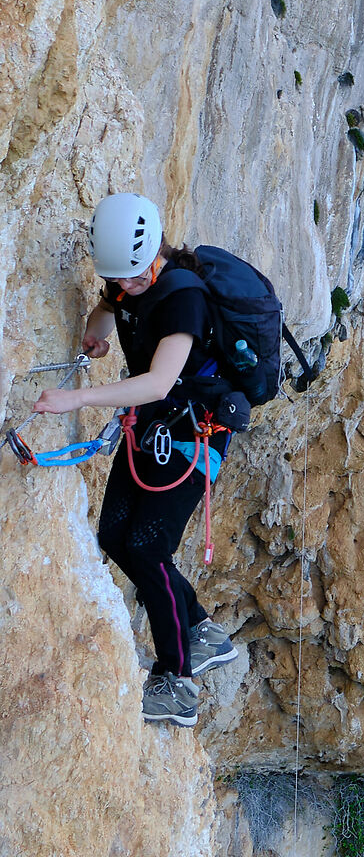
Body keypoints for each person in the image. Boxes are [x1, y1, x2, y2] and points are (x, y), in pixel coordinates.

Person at [32, 192, 237, 729]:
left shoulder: (183, 298)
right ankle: (200, 629)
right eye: (117, 280)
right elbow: (108, 311)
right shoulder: (128, 282)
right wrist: (95, 336)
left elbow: (159, 381)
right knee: (114, 537)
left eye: (130, 279)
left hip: (193, 434)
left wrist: (77, 398)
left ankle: (179, 682)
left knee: (148, 547)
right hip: (149, 428)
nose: (123, 288)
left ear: (153, 258)